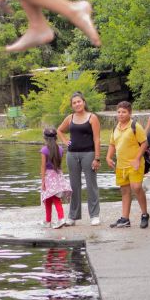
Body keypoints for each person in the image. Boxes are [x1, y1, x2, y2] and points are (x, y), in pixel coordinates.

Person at [56, 92, 101, 225]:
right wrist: (65, 141)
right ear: (72, 105)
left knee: (91, 184)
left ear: (84, 102)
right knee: (74, 185)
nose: (77, 104)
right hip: (72, 155)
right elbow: (59, 130)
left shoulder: (92, 118)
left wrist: (97, 157)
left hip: (89, 154)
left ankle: (94, 215)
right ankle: (73, 216)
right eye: (74, 103)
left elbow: (97, 139)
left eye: (79, 101)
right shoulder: (70, 118)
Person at [107, 101, 150, 229]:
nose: (121, 114)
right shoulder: (116, 128)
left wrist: (137, 159)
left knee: (136, 188)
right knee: (125, 191)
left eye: (124, 112)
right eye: (119, 112)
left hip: (134, 163)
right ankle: (125, 218)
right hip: (121, 165)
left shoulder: (135, 126)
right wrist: (108, 157)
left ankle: (144, 214)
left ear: (130, 113)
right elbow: (112, 144)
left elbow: (144, 143)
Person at [39, 127, 70, 229]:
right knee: (55, 199)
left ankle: (57, 220)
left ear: (45, 138)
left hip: (48, 177)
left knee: (48, 199)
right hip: (57, 176)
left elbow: (43, 167)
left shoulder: (44, 150)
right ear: (56, 137)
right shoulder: (60, 149)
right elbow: (59, 165)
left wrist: (43, 181)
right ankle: (53, 220)